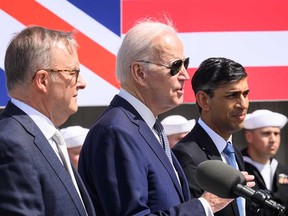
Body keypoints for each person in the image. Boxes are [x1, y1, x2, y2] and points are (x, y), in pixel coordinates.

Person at [79, 19, 253, 216]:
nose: (185, 75)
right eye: (175, 66)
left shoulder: (147, 127)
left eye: (185, 64)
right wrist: (205, 206)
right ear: (140, 73)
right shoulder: (117, 131)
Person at [0, 26, 95, 215]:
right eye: (72, 72)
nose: (82, 82)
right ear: (43, 80)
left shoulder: (44, 137)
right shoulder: (11, 144)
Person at [172, 57, 250, 216]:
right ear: (204, 100)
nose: (243, 104)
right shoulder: (185, 156)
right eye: (232, 95)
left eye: (245, 94)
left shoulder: (234, 153)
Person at [241, 109, 288, 216]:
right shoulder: (238, 168)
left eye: (276, 133)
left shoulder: (283, 171)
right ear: (249, 137)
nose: (273, 139)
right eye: (266, 133)